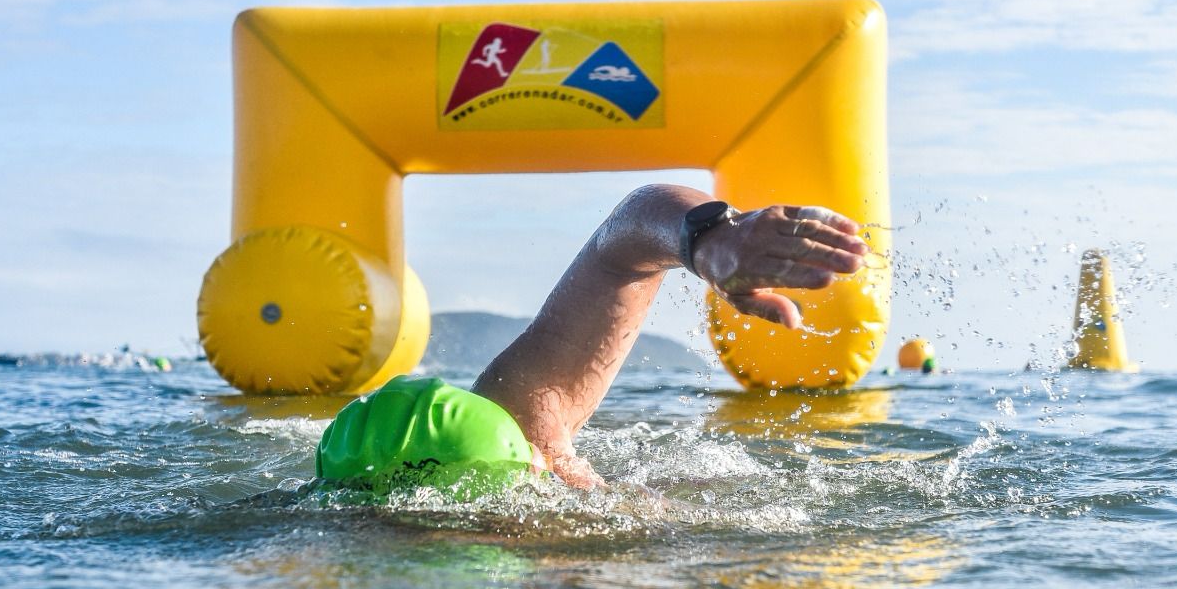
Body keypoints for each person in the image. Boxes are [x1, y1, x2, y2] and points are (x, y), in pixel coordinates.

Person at [315, 184, 869, 495]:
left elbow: (619, 246)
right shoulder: (547, 467)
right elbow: (617, 248)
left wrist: (708, 235)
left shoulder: (318, 534)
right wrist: (711, 239)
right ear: (531, 466)